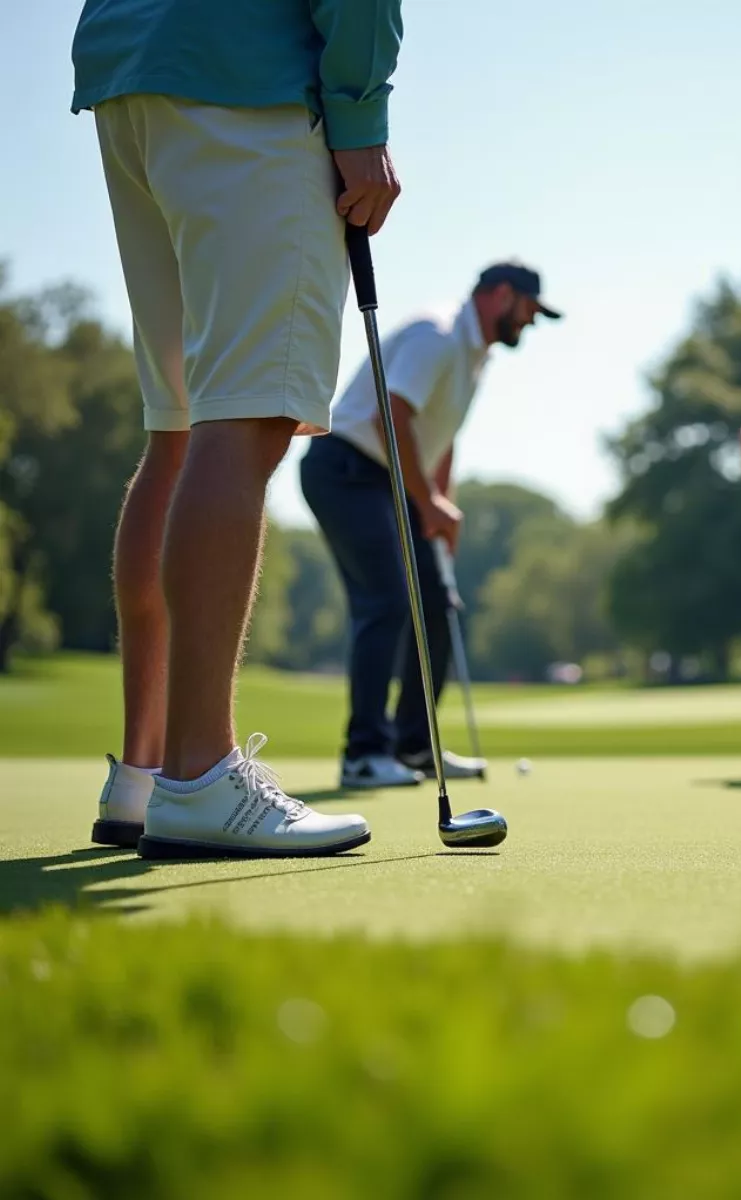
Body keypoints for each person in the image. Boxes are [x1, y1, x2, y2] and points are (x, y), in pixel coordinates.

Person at [75, 0, 404, 857]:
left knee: (175, 427)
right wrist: (361, 114)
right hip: (247, 86)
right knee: (243, 418)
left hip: (127, 79)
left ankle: (143, 775)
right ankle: (200, 778)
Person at [301, 263, 562, 789]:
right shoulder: (438, 335)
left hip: (391, 477)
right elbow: (389, 417)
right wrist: (429, 502)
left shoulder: (475, 355)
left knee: (437, 605)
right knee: (389, 602)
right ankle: (365, 754)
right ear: (501, 295)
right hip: (347, 469)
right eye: (529, 310)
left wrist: (439, 506)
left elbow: (439, 437)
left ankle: (415, 746)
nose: (530, 323)